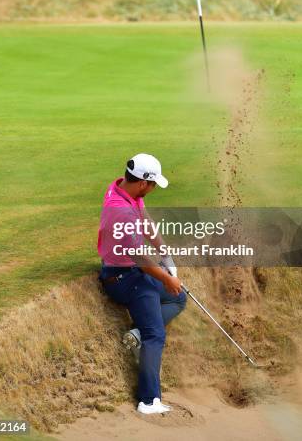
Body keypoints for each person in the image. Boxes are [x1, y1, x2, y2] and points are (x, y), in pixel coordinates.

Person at [97, 153, 186, 414]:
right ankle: (148, 401)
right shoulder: (121, 212)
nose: (154, 188)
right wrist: (167, 277)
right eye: (154, 184)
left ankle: (136, 332)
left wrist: (166, 254)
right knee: (155, 335)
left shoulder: (125, 191)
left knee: (178, 298)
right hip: (123, 279)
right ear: (143, 183)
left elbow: (146, 221)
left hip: (133, 271)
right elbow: (141, 258)